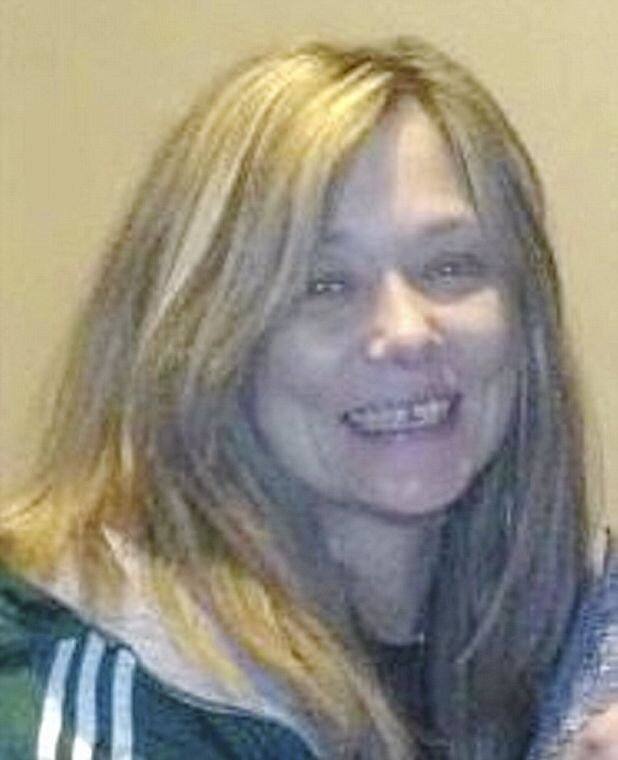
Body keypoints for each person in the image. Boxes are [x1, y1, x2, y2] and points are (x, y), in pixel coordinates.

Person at [0, 36, 615, 760]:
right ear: (199, 337)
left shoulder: (565, 649)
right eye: (323, 285)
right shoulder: (83, 686)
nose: (406, 331)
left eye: (450, 266)